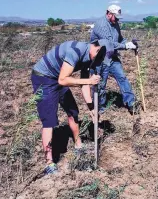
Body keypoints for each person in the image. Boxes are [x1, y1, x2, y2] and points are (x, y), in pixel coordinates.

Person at [31, 39, 112, 175]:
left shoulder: (90, 58)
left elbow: (84, 85)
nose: (97, 60)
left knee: (73, 111)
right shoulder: (76, 51)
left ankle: (78, 144)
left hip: (57, 77)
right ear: (95, 47)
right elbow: (63, 80)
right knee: (49, 120)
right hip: (43, 79)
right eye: (98, 55)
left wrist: (92, 108)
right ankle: (49, 163)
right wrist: (88, 81)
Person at [90, 4, 139, 115]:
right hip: (100, 58)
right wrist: (126, 46)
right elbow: (109, 44)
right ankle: (100, 109)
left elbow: (120, 39)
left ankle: (131, 103)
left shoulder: (115, 23)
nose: (117, 20)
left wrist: (129, 43)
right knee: (101, 84)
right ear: (109, 14)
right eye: (115, 17)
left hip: (112, 56)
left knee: (122, 78)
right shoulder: (101, 25)